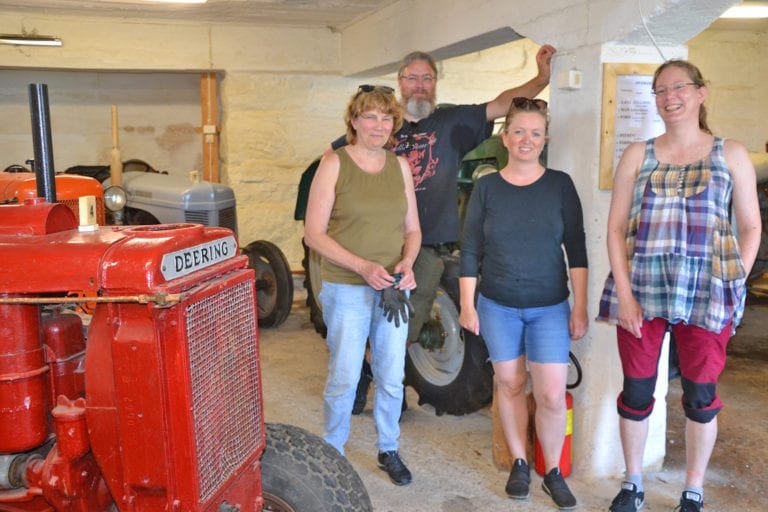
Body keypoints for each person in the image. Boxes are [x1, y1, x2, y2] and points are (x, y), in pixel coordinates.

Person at [339, 43, 557, 413]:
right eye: (412, 78)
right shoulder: (381, 127)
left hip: (424, 243)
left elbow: (503, 104)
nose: (419, 85)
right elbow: (339, 161)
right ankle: (365, 373)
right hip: (374, 240)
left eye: (427, 78)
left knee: (403, 321)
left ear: (435, 83)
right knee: (360, 314)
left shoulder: (452, 121)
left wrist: (542, 78)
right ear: (400, 83)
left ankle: (378, 373)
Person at [597, 60, 762, 512]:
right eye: (660, 90)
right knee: (636, 392)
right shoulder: (638, 154)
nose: (669, 97)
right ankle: (633, 484)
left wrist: (732, 283)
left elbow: (750, 227)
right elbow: (615, 231)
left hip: (706, 294)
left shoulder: (730, 153)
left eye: (679, 87)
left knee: (700, 398)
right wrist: (626, 295)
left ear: (701, 93)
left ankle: (693, 490)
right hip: (643, 293)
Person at [458, 97, 588, 510]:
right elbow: (469, 250)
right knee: (510, 384)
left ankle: (551, 471)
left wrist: (580, 306)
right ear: (505, 137)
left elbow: (578, 249)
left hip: (550, 306)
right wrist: (467, 304)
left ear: (545, 138)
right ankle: (519, 461)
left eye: (535, 132)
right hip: (497, 305)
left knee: (550, 394)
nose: (526, 140)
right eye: (519, 131)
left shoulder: (560, 185)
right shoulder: (487, 187)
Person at [304, 84, 421, 486]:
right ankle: (333, 450)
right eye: (369, 116)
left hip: (393, 288)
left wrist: (406, 262)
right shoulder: (334, 163)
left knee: (391, 374)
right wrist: (362, 266)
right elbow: (313, 235)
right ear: (353, 121)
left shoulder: (400, 166)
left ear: (394, 124)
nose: (378, 125)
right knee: (346, 372)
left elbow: (413, 230)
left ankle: (389, 447)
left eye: (386, 118)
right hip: (347, 286)